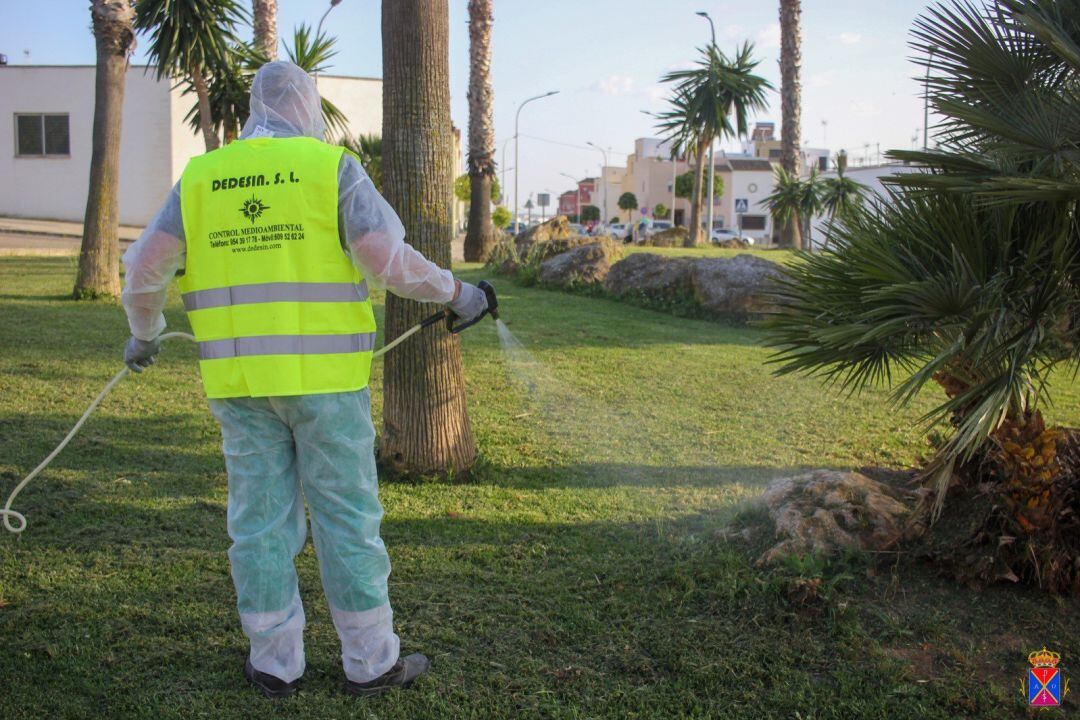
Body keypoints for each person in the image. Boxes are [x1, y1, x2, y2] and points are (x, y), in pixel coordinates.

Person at [120, 61, 488, 699]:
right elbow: (386, 260)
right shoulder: (330, 168)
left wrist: (144, 333)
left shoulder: (202, 177)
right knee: (347, 517)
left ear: (253, 108)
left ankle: (274, 664)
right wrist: (458, 293)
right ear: (306, 107)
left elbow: (146, 266)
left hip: (241, 385)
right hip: (326, 385)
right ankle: (370, 663)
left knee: (259, 523)